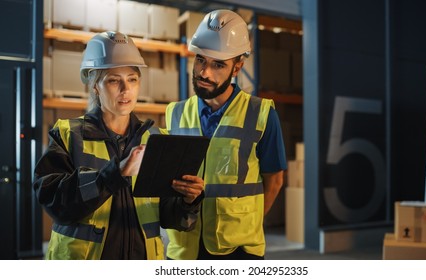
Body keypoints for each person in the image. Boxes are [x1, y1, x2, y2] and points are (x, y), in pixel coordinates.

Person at [33, 31, 204, 260]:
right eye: (114, 80)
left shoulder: (154, 139)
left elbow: (169, 216)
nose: (125, 90)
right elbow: (55, 202)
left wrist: (188, 201)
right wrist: (115, 173)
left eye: (132, 79)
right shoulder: (68, 135)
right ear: (95, 85)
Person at [164, 9, 287, 260]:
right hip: (184, 249)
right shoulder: (174, 113)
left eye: (218, 64)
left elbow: (274, 181)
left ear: (237, 67)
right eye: (200, 60)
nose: (205, 73)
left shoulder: (261, 114)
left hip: (238, 251)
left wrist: (247, 224)